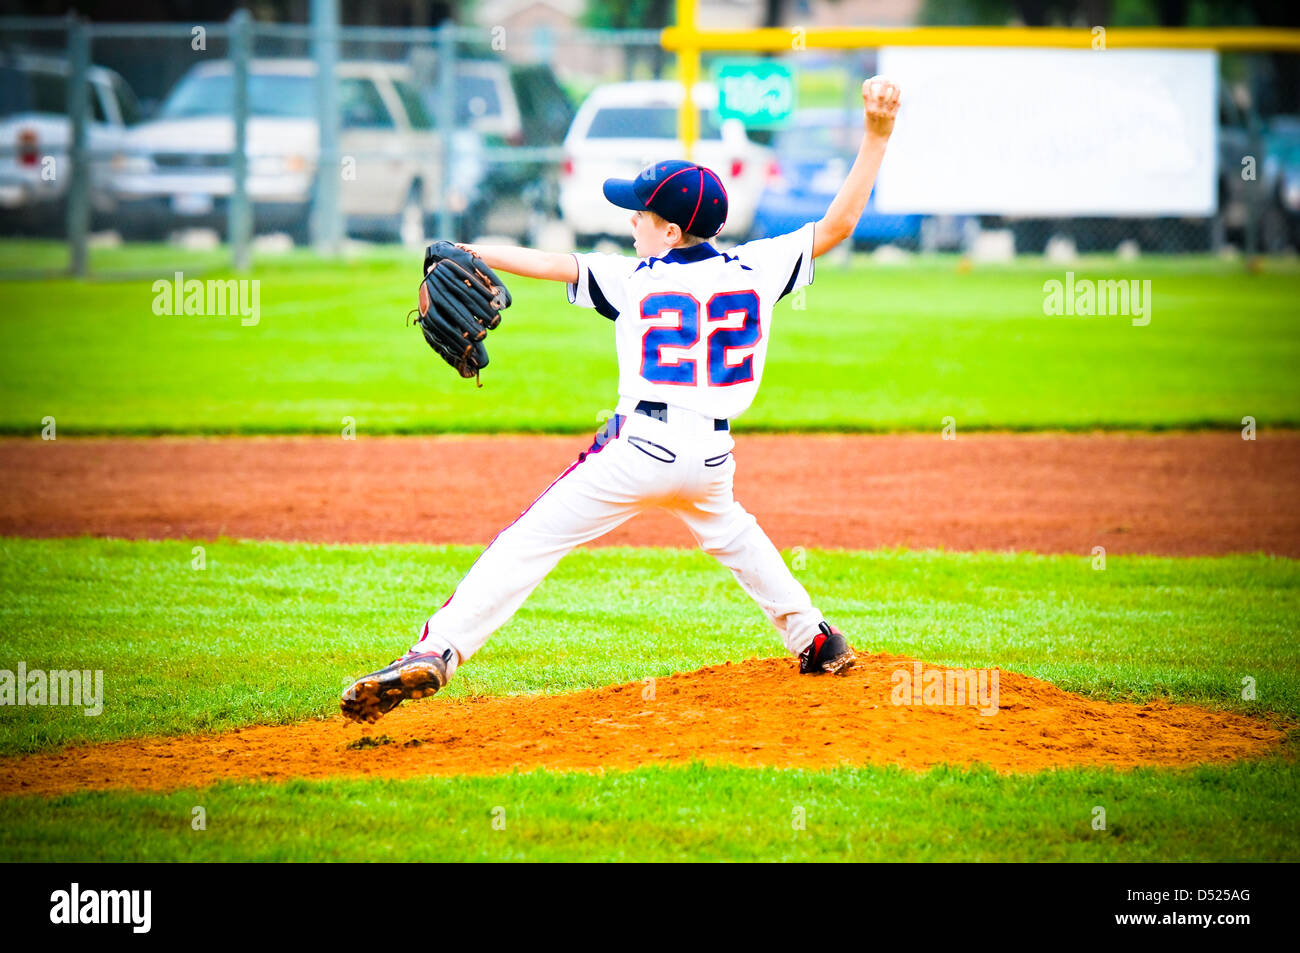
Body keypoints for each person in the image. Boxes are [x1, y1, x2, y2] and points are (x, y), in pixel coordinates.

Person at [342, 76, 902, 724]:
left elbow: (550, 263)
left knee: (527, 543)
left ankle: (437, 649)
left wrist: (470, 250)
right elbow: (840, 223)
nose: (631, 219)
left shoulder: (632, 278)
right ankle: (815, 637)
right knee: (734, 534)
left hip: (641, 447)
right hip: (714, 457)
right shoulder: (759, 266)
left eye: (641, 213)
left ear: (667, 231)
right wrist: (877, 136)